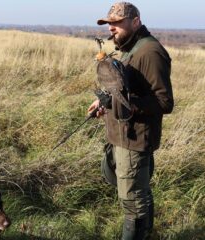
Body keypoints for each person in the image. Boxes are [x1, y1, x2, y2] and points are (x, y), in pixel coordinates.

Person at [87, 2, 174, 239]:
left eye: (117, 23)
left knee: (133, 203)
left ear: (136, 21)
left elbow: (165, 102)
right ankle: (149, 234)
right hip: (123, 138)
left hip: (134, 141)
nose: (111, 29)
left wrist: (132, 106)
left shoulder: (150, 52)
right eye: (109, 24)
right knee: (138, 193)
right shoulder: (129, 47)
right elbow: (123, 88)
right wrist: (104, 101)